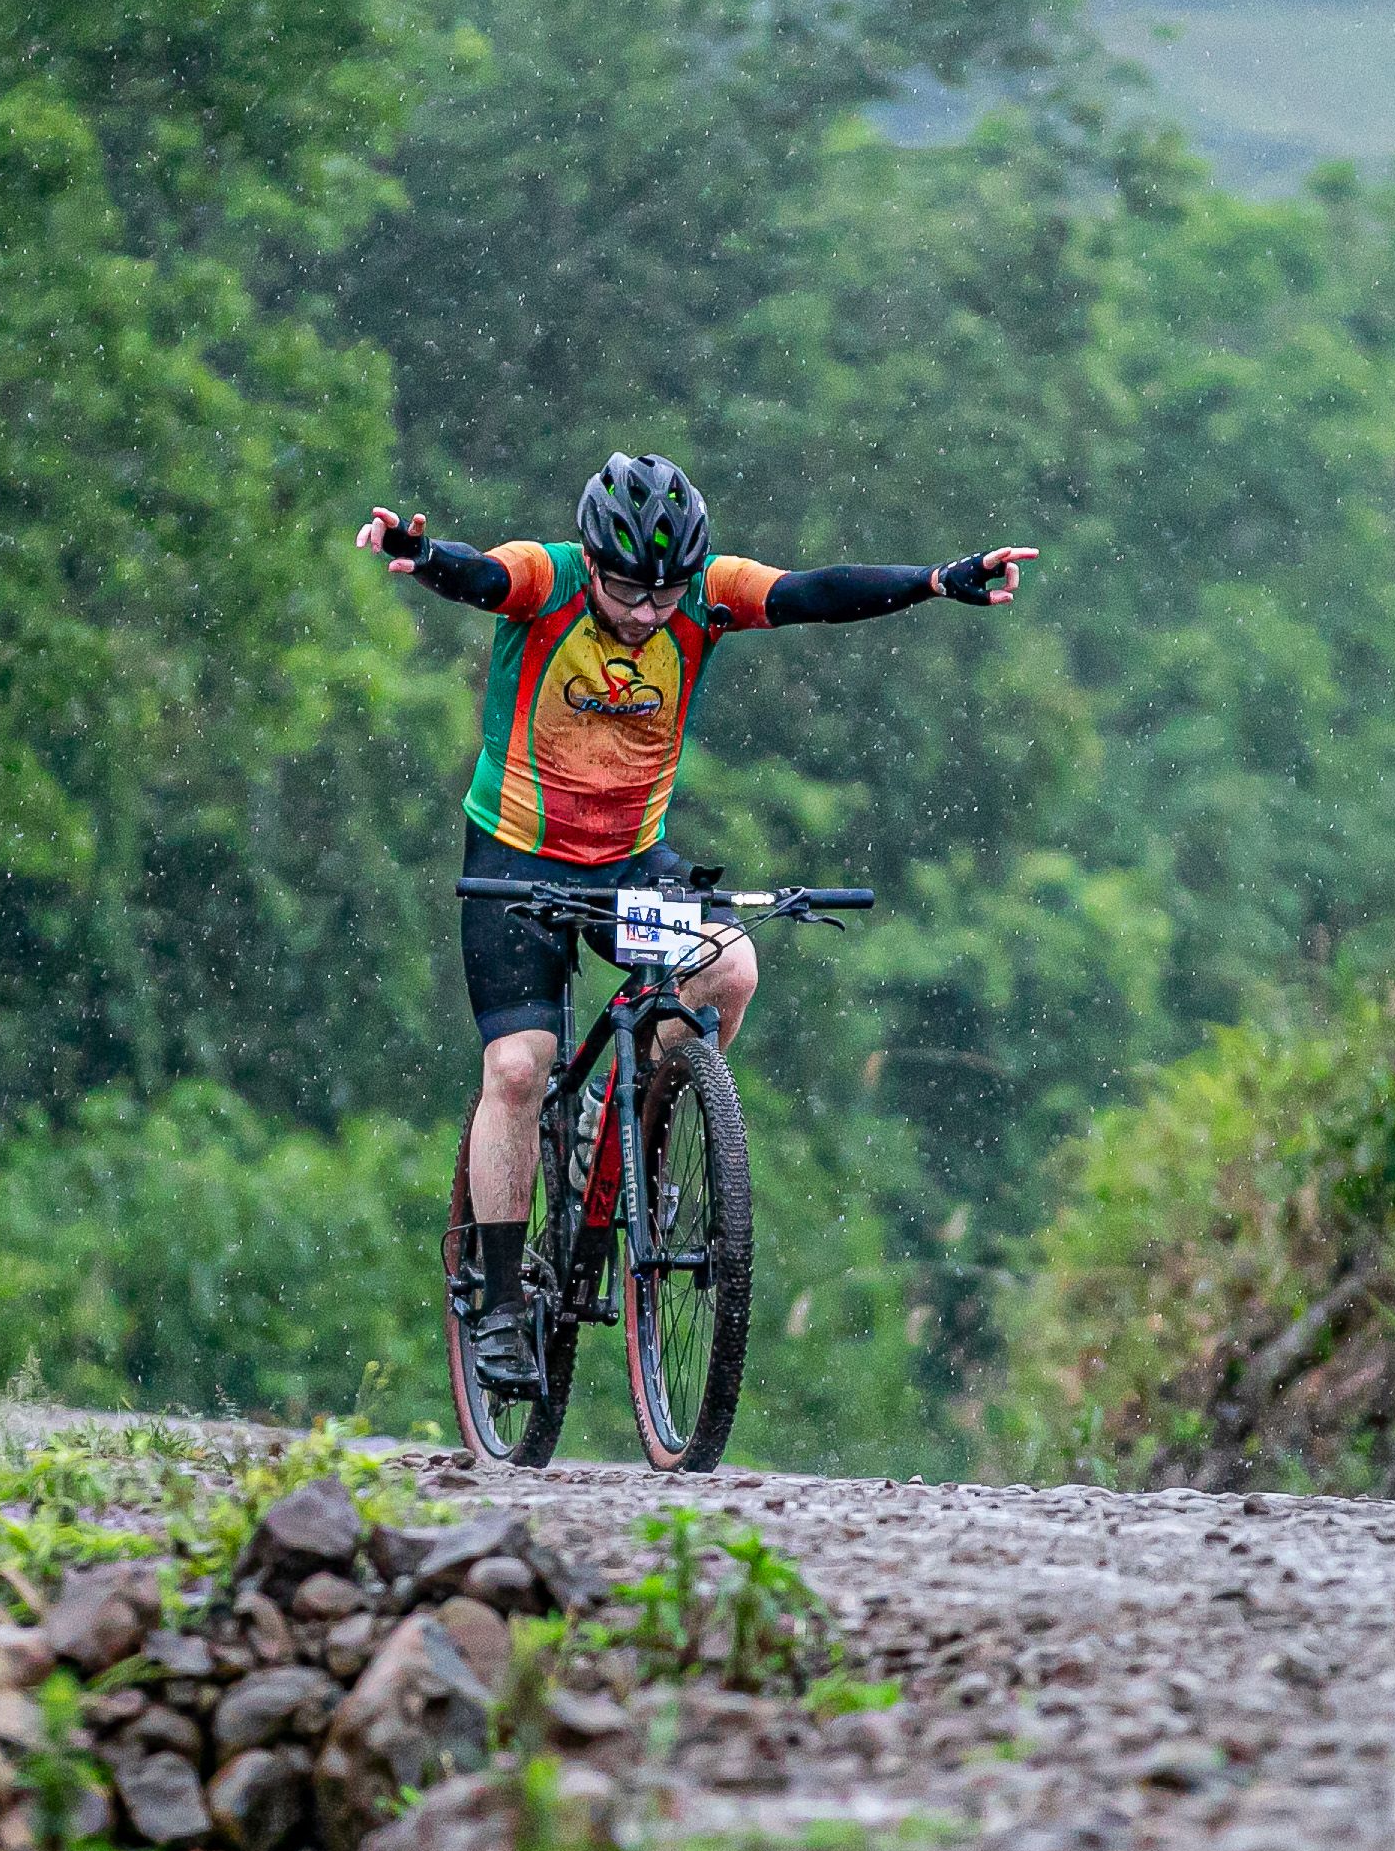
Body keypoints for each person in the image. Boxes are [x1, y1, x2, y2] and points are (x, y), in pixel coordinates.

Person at [358, 450, 1036, 1399]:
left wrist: (934, 581)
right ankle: (502, 1299)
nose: (647, 613)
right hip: (516, 857)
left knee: (730, 968)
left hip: (630, 859)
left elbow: (814, 593)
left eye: (666, 593)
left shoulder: (709, 599)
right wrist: (428, 559)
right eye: (629, 591)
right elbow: (482, 575)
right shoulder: (548, 579)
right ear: (594, 562)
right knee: (517, 1067)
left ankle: (629, 1122)